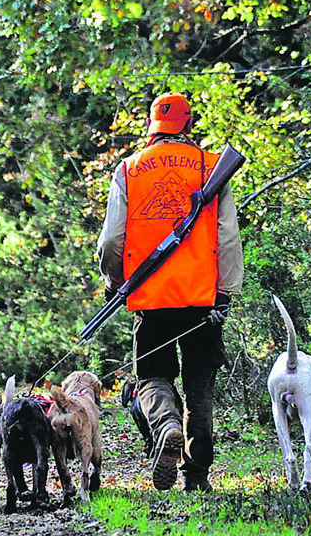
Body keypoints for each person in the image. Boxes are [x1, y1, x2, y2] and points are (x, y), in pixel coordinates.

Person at [97, 93, 243, 493]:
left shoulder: (129, 169)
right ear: (189, 125)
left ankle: (165, 427)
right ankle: (196, 477)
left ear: (153, 127)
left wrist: (114, 282)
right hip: (202, 298)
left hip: (151, 298)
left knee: (152, 377)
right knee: (200, 388)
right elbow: (227, 237)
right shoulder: (211, 168)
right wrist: (226, 292)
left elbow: (112, 240)